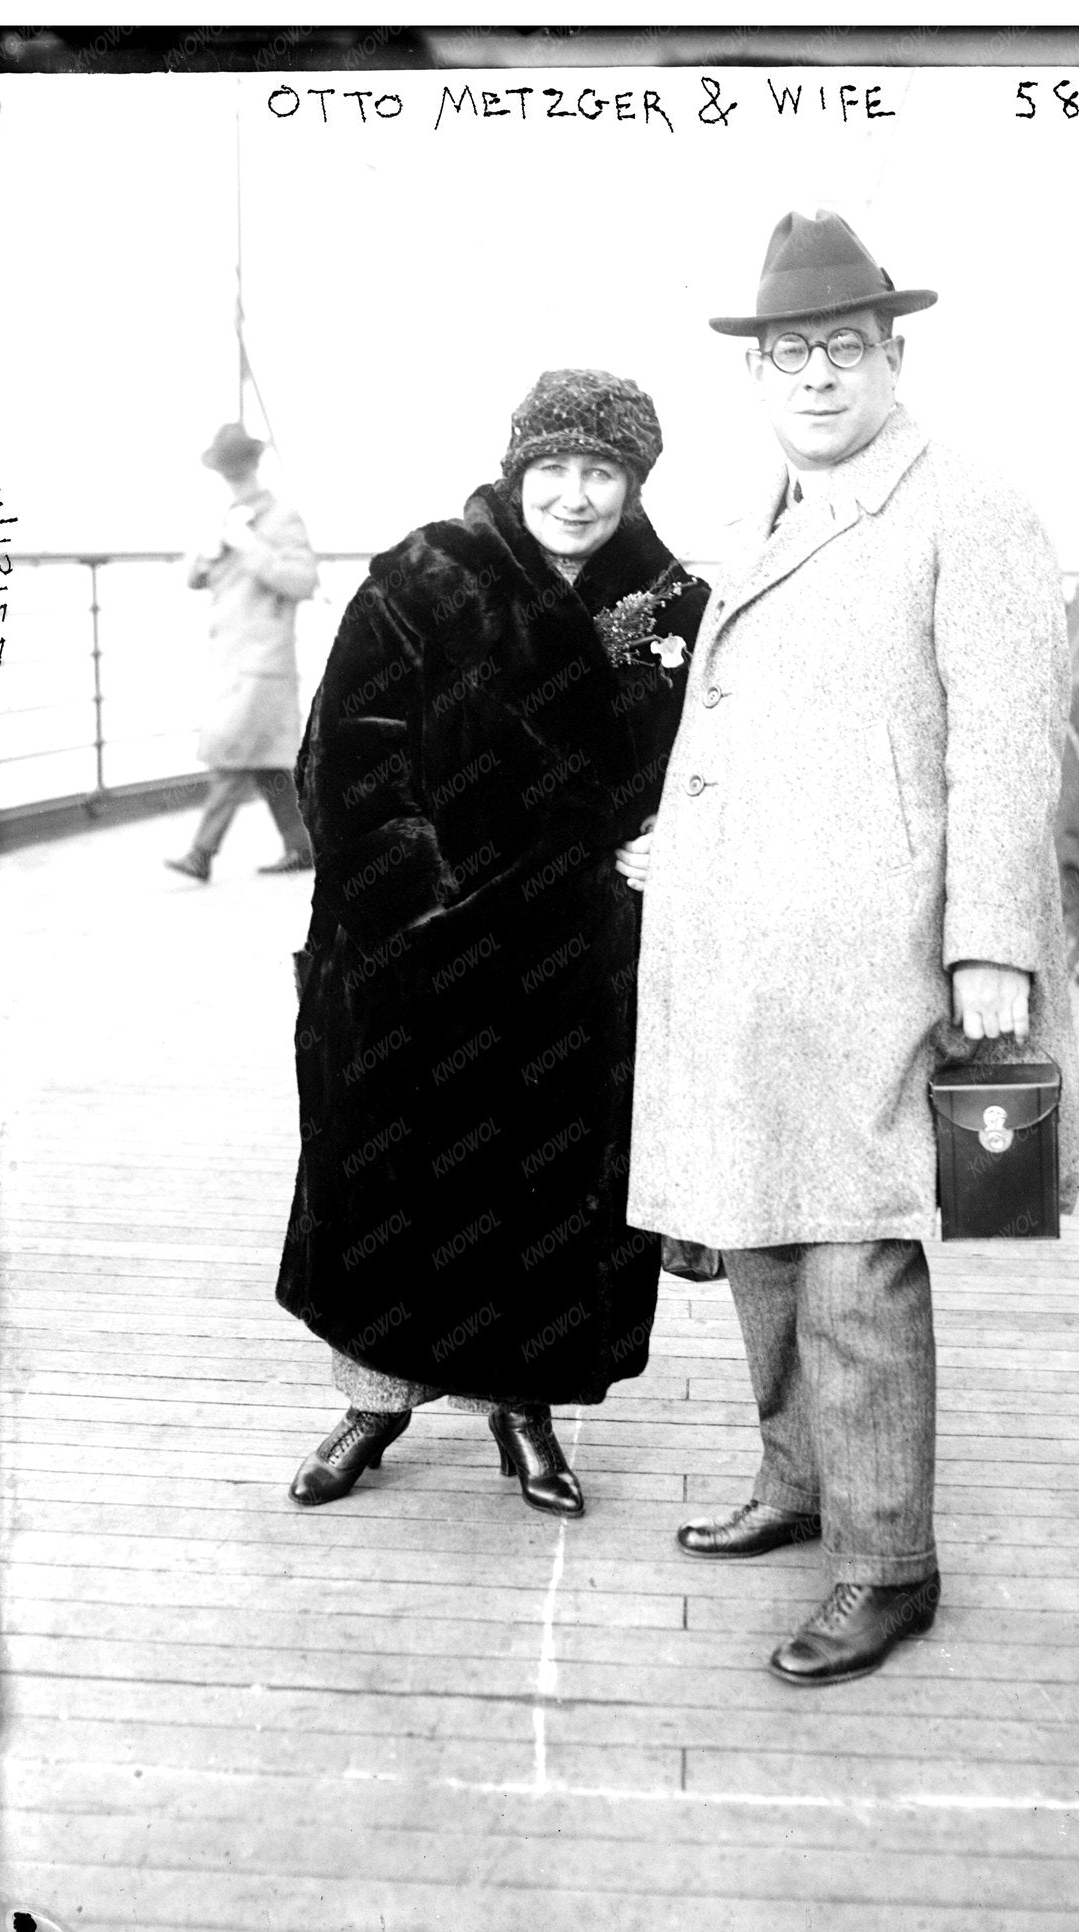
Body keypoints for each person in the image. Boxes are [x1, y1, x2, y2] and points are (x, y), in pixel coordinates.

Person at [628, 210, 1079, 1683]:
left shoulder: (968, 505)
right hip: (743, 949)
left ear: (892, 356)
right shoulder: (773, 507)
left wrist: (990, 951)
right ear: (756, 378)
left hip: (877, 948)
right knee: (758, 1223)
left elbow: (1008, 749)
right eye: (785, 356)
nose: (813, 378)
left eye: (839, 349)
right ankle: (798, 1483)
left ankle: (887, 1564)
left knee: (853, 1257)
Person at [277, 369, 708, 1516]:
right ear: (518, 470)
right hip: (413, 955)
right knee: (387, 1179)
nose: (575, 495)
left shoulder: (673, 606)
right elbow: (349, 758)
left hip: (578, 963)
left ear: (634, 482)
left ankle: (526, 1412)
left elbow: (723, 764)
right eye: (554, 468)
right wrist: (423, 908)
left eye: (602, 470)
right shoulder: (423, 579)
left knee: (546, 1190)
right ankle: (372, 1401)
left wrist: (680, 839)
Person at [166, 422, 319, 882]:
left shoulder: (281, 517)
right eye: (225, 469)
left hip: (264, 660)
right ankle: (302, 848)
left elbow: (302, 581)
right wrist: (208, 552)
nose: (232, 476)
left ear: (252, 465)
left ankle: (201, 853)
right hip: (232, 659)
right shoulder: (224, 517)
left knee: (232, 755)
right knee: (267, 763)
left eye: (237, 466)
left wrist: (249, 547)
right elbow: (192, 579)